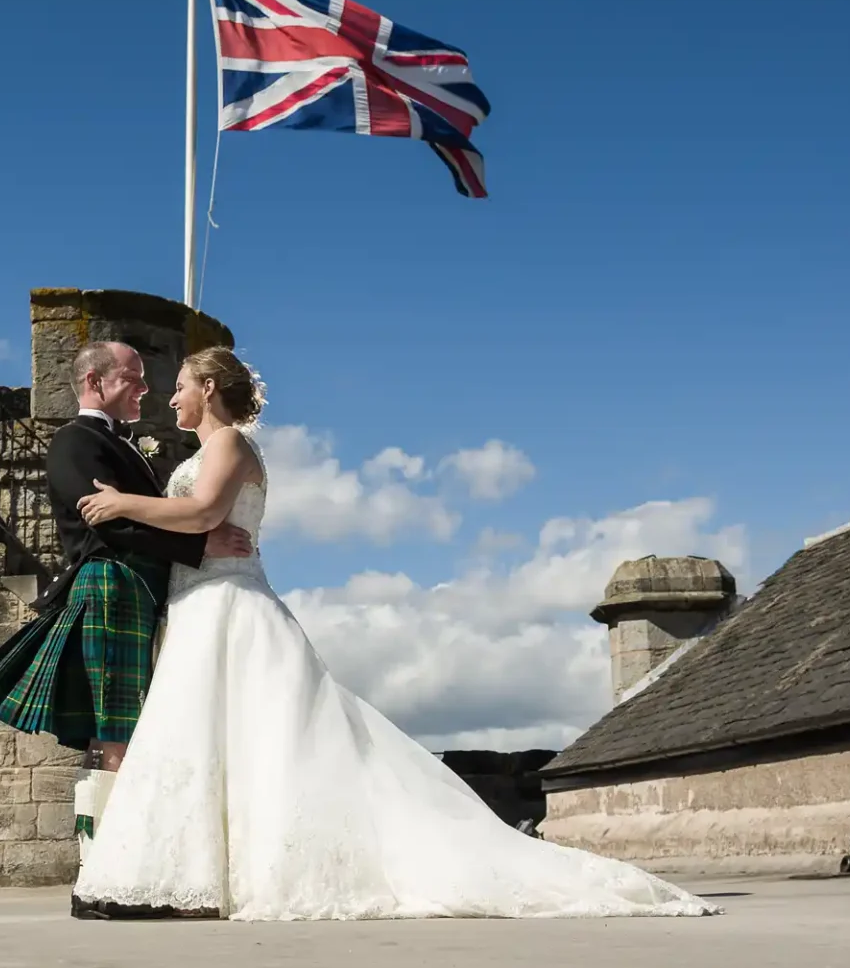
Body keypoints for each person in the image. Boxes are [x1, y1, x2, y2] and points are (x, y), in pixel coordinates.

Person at [69, 347, 720, 921]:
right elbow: (196, 522)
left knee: (256, 738)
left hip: (230, 603)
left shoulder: (231, 445)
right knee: (208, 741)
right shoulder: (204, 451)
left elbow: (207, 511)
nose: (172, 395)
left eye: (181, 383)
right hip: (198, 604)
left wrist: (125, 504)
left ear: (209, 388)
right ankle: (194, 873)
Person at [0, 340, 252, 916]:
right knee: (114, 736)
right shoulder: (75, 441)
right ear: (94, 381)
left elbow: (136, 512)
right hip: (111, 583)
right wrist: (198, 542)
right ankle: (99, 878)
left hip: (139, 590)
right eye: (133, 378)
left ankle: (123, 871)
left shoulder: (127, 448)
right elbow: (104, 525)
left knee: (137, 733)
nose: (146, 388)